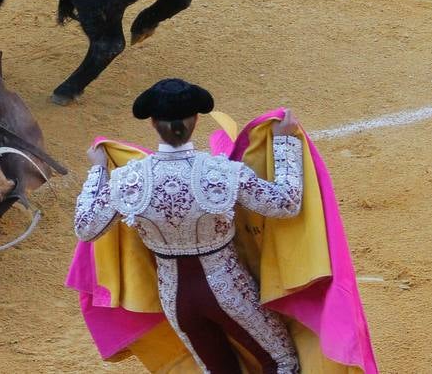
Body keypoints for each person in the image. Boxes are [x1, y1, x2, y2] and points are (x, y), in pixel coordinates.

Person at [74, 79, 304, 373]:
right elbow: (285, 203)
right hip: (230, 291)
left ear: (153, 123)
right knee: (282, 364)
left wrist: (97, 171)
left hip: (175, 299)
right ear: (196, 120)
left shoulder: (129, 180)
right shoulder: (220, 172)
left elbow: (86, 227)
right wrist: (285, 142)